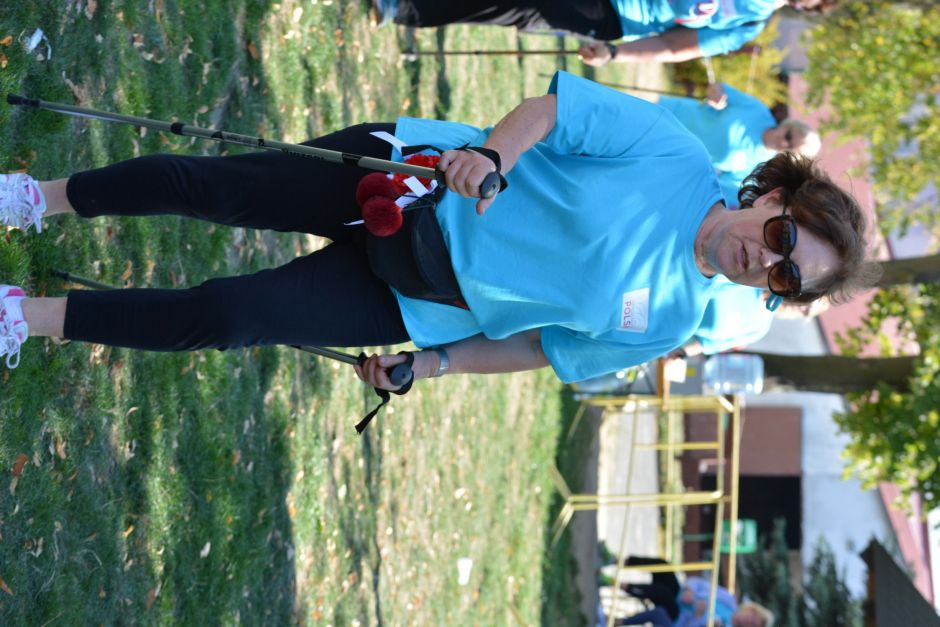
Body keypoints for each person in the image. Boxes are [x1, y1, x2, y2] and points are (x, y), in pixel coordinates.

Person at [0, 71, 874, 393]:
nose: (766, 261)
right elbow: (552, 112)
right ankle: (38, 198)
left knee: (229, 317)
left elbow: (541, 346)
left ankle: (24, 317)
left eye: (784, 279)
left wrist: (435, 364)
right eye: (784, 240)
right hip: (409, 179)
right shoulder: (674, 154)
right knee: (216, 188)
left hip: (418, 297)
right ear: (774, 198)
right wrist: (490, 157)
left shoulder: (673, 321)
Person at [377, 0, 837, 64]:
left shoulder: (748, 23)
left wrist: (616, 55)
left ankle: (403, 6)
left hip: (611, 15)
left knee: (518, 5)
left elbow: (673, 47)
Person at [655, 82, 820, 207]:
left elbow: (718, 187)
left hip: (666, 150)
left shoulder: (760, 170)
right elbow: (719, 87)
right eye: (789, 136)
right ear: (788, 125)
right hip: (668, 111)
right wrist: (717, 94)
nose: (784, 143)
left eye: (790, 149)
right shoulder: (758, 110)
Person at [613, 557, 774, 627]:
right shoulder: (728, 601)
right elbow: (700, 584)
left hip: (680, 620)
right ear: (751, 609)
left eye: (753, 625)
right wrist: (690, 589)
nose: (749, 621)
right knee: (663, 567)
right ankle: (620, 561)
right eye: (753, 616)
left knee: (663, 594)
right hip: (681, 598)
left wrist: (697, 617)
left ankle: (620, 586)